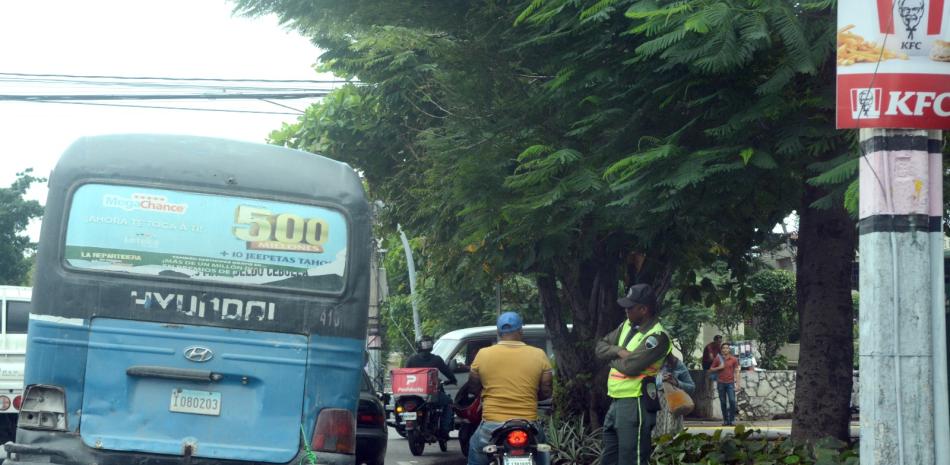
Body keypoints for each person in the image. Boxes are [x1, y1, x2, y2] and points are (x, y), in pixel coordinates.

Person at [595, 284, 671, 465]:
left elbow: (631, 367)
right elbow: (599, 347)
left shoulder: (657, 336)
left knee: (631, 459)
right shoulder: (626, 326)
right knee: (609, 458)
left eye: (630, 308)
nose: (626, 311)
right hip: (616, 400)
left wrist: (609, 357)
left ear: (643, 309)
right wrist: (618, 351)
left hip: (636, 402)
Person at [465, 311, 553, 465]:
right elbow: (546, 391)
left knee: (475, 447)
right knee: (542, 451)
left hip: (492, 423)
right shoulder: (539, 355)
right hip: (528, 423)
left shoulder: (483, 354)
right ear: (521, 331)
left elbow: (473, 387)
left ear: (499, 332)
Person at [405, 335, 457, 440]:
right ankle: (444, 430)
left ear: (418, 346)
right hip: (431, 395)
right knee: (448, 403)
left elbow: (404, 375)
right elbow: (448, 373)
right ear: (431, 346)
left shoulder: (411, 359)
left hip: (414, 394)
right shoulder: (436, 360)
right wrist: (453, 380)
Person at [653, 354, 696, 438]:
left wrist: (677, 382)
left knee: (673, 440)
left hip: (674, 405)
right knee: (654, 440)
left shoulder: (676, 363)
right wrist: (659, 379)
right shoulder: (647, 361)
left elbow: (691, 387)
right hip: (654, 406)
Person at [709, 343, 741, 426]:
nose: (725, 349)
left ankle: (732, 419)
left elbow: (737, 372)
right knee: (723, 402)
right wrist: (719, 367)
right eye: (723, 348)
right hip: (721, 383)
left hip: (730, 383)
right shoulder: (718, 359)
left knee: (732, 401)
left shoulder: (734, 359)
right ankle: (726, 420)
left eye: (727, 348)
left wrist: (737, 384)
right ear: (721, 350)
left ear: (729, 349)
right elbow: (711, 369)